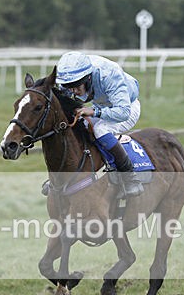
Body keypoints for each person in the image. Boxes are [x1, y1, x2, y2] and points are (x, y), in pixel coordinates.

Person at [55, 51, 144, 197]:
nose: (73, 91)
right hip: (102, 105)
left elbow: (123, 112)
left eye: (77, 87)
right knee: (77, 123)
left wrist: (95, 112)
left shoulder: (109, 75)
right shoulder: (70, 76)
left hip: (127, 107)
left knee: (100, 129)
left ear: (88, 77)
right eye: (69, 87)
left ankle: (129, 177)